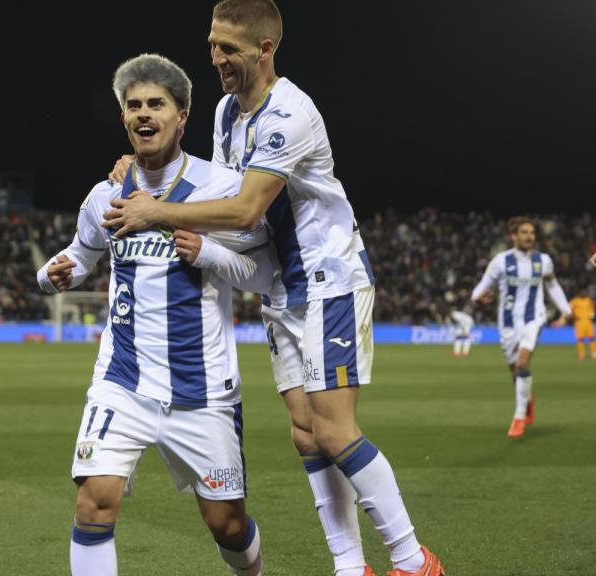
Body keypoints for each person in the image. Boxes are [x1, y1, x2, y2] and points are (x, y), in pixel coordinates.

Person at [101, 2, 444, 575]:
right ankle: (350, 566)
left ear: (265, 49)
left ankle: (413, 561)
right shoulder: (225, 112)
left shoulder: (289, 113)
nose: (216, 58)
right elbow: (212, 187)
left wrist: (154, 210)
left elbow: (244, 209)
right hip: (281, 285)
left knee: (333, 428)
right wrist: (139, 167)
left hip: (328, 278)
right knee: (307, 434)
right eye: (212, 45)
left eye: (228, 48)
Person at [39, 53, 275, 576]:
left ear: (182, 116)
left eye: (156, 104)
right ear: (124, 118)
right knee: (94, 501)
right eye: (134, 105)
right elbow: (80, 254)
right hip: (122, 381)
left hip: (202, 390)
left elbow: (264, 275)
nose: (144, 113)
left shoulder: (221, 188)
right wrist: (51, 274)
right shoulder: (106, 194)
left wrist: (208, 253)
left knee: (228, 526)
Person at [471, 217, 571, 437]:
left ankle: (519, 417)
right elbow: (480, 289)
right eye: (524, 232)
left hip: (534, 318)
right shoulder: (500, 261)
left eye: (532, 233)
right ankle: (527, 399)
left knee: (523, 362)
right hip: (507, 322)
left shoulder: (543, 260)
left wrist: (566, 311)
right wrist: (478, 298)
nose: (529, 236)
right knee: (515, 371)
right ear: (513, 236)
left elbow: (552, 285)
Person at [568, 290, 595, 360]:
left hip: (588, 321)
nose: (583, 293)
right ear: (578, 293)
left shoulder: (589, 300)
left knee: (592, 337)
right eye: (581, 292)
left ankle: (594, 353)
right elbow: (569, 308)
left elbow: (593, 308)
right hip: (579, 321)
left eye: (584, 292)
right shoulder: (575, 301)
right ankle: (581, 354)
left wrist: (592, 315)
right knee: (580, 339)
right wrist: (572, 315)